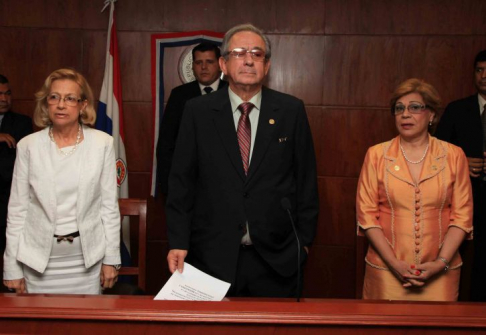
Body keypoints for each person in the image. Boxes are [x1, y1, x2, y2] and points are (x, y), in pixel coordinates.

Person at [165, 24, 319, 298]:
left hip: (277, 261)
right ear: (223, 63)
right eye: (238, 53)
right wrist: (177, 241)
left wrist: (303, 243)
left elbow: (306, 180)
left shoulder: (290, 110)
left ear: (267, 65)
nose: (248, 59)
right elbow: (181, 182)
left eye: (257, 54)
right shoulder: (197, 112)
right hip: (211, 259)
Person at [3, 68, 121, 294]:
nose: (60, 104)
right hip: (37, 262)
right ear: (46, 103)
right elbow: (17, 210)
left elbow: (109, 208)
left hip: (86, 263)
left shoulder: (102, 144)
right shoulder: (28, 146)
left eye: (70, 99)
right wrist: (11, 267)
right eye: (54, 97)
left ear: (83, 105)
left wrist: (111, 259)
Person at [356, 78, 473, 301]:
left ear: (431, 115)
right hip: (386, 273)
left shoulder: (454, 155)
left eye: (415, 107)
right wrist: (395, 264)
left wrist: (440, 263)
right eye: (399, 108)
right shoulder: (377, 155)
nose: (405, 114)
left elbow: (462, 217)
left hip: (441, 273)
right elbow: (367, 217)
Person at [435, 50, 486, 301]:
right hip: (464, 200)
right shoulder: (457, 109)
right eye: (479, 70)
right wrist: (461, 162)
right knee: (463, 267)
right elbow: (436, 152)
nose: (484, 76)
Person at [156, 42, 228, 195]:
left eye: (209, 62)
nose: (204, 67)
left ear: (220, 64)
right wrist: (169, 186)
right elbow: (166, 144)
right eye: (198, 62)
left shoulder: (232, 93)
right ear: (193, 66)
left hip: (226, 185)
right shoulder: (179, 95)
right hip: (187, 187)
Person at [0, 75, 32, 259]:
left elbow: (14, 167)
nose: (4, 99)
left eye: (7, 93)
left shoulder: (22, 123)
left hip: (8, 202)